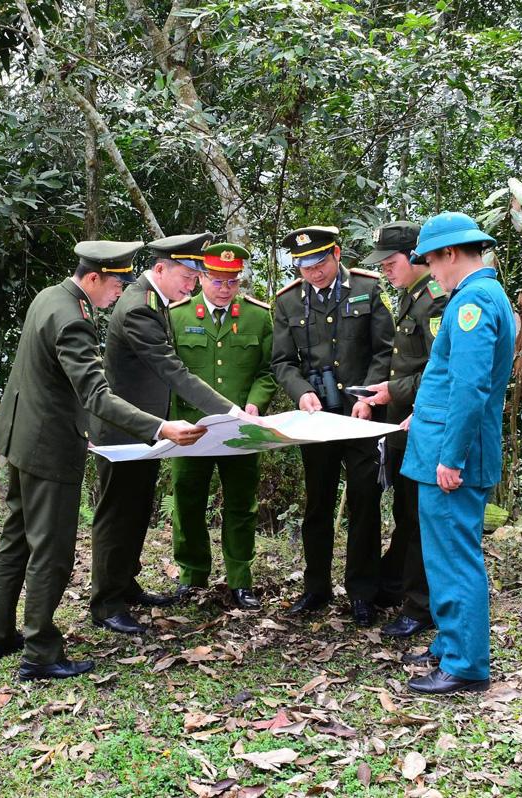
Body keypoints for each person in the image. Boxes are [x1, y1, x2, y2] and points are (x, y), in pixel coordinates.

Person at [0, 240, 208, 682]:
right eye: (116, 283)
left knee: (16, 539)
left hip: (20, 435)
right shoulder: (74, 320)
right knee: (51, 551)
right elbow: (96, 395)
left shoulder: (50, 296)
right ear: (92, 278)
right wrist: (160, 428)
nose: (120, 291)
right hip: (49, 445)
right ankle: (40, 652)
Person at [90, 232, 241, 637]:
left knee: (137, 509)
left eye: (196, 276)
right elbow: (172, 369)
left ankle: (125, 583)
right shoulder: (140, 307)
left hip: (146, 428)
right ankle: (105, 602)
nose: (193, 284)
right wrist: (229, 411)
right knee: (117, 515)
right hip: (123, 430)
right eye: (188, 275)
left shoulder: (155, 301)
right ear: (161, 269)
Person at [399, 212, 515, 695]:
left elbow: (471, 387)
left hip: (453, 456)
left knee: (454, 556)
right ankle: (451, 643)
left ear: (450, 254)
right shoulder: (479, 297)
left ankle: (466, 664)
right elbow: (448, 382)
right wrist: (417, 416)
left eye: (430, 261)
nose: (430, 271)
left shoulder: (472, 304)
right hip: (440, 443)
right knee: (441, 552)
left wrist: (451, 456)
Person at [271, 225, 394, 626]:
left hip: (362, 416)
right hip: (317, 419)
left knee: (364, 503)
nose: (313, 272)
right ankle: (315, 588)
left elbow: (384, 350)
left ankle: (363, 592)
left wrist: (368, 396)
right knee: (318, 504)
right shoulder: (288, 302)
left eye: (320, 261)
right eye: (304, 265)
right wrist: (301, 391)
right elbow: (282, 363)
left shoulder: (368, 288)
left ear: (336, 254)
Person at [168, 242, 276, 609]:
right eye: (217, 280)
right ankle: (192, 575)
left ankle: (240, 579)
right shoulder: (177, 315)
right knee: (188, 501)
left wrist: (255, 403)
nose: (225, 288)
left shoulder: (258, 317)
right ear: (201, 277)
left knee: (241, 504)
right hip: (190, 429)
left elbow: (268, 370)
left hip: (240, 429)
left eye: (232, 281)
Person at [359, 221, 448, 639]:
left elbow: (439, 370)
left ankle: (420, 604)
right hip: (400, 426)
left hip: (423, 425)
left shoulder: (435, 300)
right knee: (404, 513)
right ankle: (394, 585)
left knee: (416, 518)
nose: (386, 271)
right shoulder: (411, 297)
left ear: (415, 256)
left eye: (391, 263)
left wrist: (391, 390)